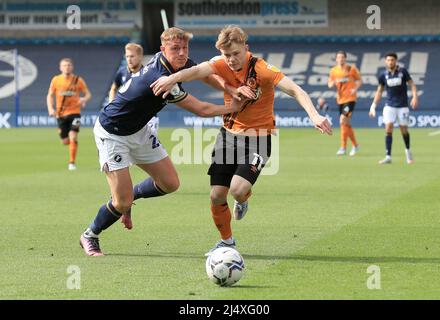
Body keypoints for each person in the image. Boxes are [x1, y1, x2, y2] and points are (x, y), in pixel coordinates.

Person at [151, 25, 332, 255]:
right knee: (216, 195)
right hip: (227, 136)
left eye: (236, 54)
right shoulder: (220, 62)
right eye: (227, 55)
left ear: (246, 49)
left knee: (238, 189)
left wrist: (314, 115)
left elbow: (296, 90)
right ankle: (226, 241)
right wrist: (171, 79)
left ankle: (243, 199)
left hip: (258, 138)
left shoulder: (263, 69)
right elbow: (196, 71)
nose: (231, 59)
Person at [79, 27, 245, 256]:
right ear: (162, 50)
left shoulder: (175, 64)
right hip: (113, 134)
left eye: (184, 48)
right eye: (175, 49)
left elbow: (205, 75)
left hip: (139, 130)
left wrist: (229, 88)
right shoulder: (160, 80)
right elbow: (201, 109)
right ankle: (90, 234)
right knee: (121, 202)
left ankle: (130, 196)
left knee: (170, 183)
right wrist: (232, 108)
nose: (181, 53)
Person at [369, 52, 418, 164]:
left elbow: (412, 84)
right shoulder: (383, 75)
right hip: (389, 105)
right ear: (385, 62)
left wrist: (415, 97)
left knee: (403, 130)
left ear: (396, 61)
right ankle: (388, 156)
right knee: (388, 128)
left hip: (402, 106)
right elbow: (379, 91)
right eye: (388, 60)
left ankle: (408, 151)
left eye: (392, 60)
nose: (390, 62)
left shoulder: (403, 72)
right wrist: (373, 106)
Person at [46, 58, 92, 170]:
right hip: (61, 113)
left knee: (73, 136)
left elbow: (88, 94)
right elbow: (50, 95)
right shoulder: (56, 80)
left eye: (69, 65)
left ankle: (72, 162)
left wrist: (83, 99)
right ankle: (62, 132)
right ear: (60, 67)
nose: (67, 67)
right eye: (65, 65)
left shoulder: (78, 80)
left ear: (72, 67)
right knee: (65, 141)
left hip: (75, 112)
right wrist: (50, 109)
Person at [109, 43, 159, 134]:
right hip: (129, 118)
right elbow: (113, 88)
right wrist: (111, 103)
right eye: (127, 56)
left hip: (148, 118)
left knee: (147, 147)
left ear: (140, 56)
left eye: (132, 56)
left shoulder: (149, 74)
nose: (129, 59)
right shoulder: (122, 72)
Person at [328, 50, 362, 156]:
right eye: (339, 57)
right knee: (345, 123)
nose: (341, 59)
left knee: (342, 120)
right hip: (340, 99)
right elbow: (329, 83)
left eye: (342, 57)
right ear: (336, 59)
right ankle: (356, 145)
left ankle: (343, 147)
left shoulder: (351, 69)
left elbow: (359, 81)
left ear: (345, 58)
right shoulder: (333, 71)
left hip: (350, 98)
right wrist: (332, 83)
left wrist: (355, 89)